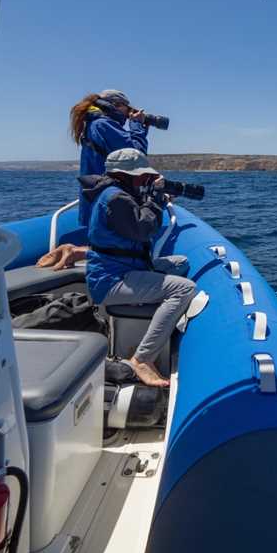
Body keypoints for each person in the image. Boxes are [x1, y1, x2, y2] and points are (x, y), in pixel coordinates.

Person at [79, 148, 196, 387]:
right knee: (183, 289)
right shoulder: (116, 198)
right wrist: (154, 200)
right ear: (126, 175)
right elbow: (143, 229)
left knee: (180, 262)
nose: (146, 180)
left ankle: (147, 303)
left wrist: (155, 199)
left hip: (124, 268)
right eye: (143, 176)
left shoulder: (118, 193)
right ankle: (142, 359)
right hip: (111, 280)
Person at [70, 89, 152, 227]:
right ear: (117, 105)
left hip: (97, 197)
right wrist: (137, 126)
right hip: (108, 200)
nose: (128, 115)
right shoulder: (103, 124)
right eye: (128, 109)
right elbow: (136, 154)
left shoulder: (93, 123)